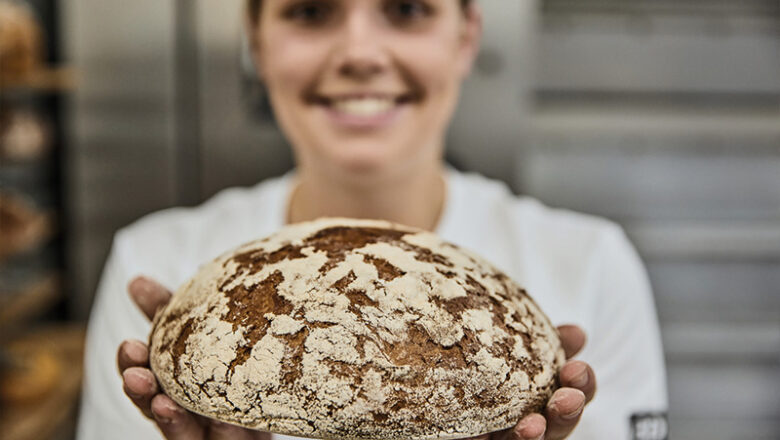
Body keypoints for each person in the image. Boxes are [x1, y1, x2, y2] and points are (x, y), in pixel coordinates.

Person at [76, 0, 668, 439]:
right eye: (310, 11)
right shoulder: (159, 266)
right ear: (255, 42)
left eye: (407, 8)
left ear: (466, 37)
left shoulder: (591, 263)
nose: (359, 54)